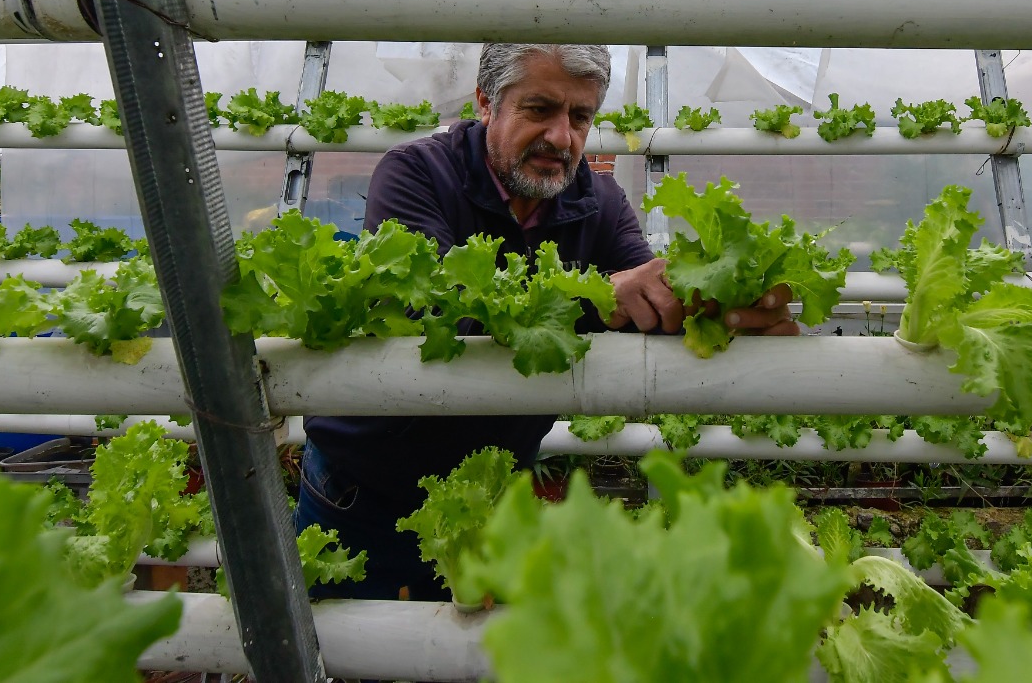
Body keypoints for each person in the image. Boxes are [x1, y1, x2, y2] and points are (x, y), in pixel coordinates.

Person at [296, 43, 796, 600]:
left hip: (491, 484)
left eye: (580, 117)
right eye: (539, 110)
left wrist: (723, 308)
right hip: (366, 483)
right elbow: (439, 315)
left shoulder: (600, 201)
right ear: (486, 103)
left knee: (464, 654)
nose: (563, 138)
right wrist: (595, 296)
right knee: (342, 649)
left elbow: (647, 302)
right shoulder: (415, 173)